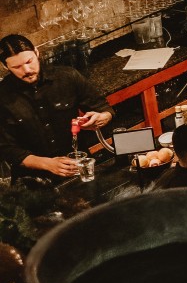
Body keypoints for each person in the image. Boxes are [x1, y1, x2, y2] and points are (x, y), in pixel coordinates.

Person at [0, 33, 110, 185]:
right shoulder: (2, 97)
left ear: (37, 52)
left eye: (29, 61)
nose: (26, 70)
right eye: (17, 67)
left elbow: (103, 107)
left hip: (77, 168)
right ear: (6, 67)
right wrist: (48, 164)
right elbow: (7, 149)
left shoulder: (67, 76)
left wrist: (101, 118)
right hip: (32, 180)